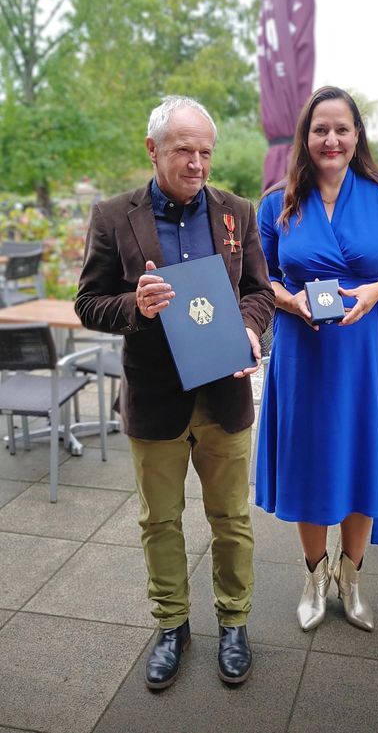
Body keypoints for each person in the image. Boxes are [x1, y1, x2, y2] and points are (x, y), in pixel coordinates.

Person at [75, 96, 274, 689]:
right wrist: (134, 306)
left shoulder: (237, 211)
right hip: (156, 399)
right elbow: (88, 303)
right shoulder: (114, 216)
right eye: (183, 149)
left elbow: (261, 292)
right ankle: (172, 625)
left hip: (224, 397)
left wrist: (248, 327)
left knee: (232, 519)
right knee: (159, 521)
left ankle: (234, 622)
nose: (196, 163)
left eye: (205, 151)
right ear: (153, 149)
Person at [255, 86, 378, 633]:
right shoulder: (278, 202)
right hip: (305, 354)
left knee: (360, 457)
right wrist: (289, 300)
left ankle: (352, 576)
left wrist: (374, 292)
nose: (331, 139)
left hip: (367, 352)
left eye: (341, 129)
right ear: (306, 137)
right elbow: (261, 279)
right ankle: (313, 574)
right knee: (309, 460)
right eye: (320, 129)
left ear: (356, 136)